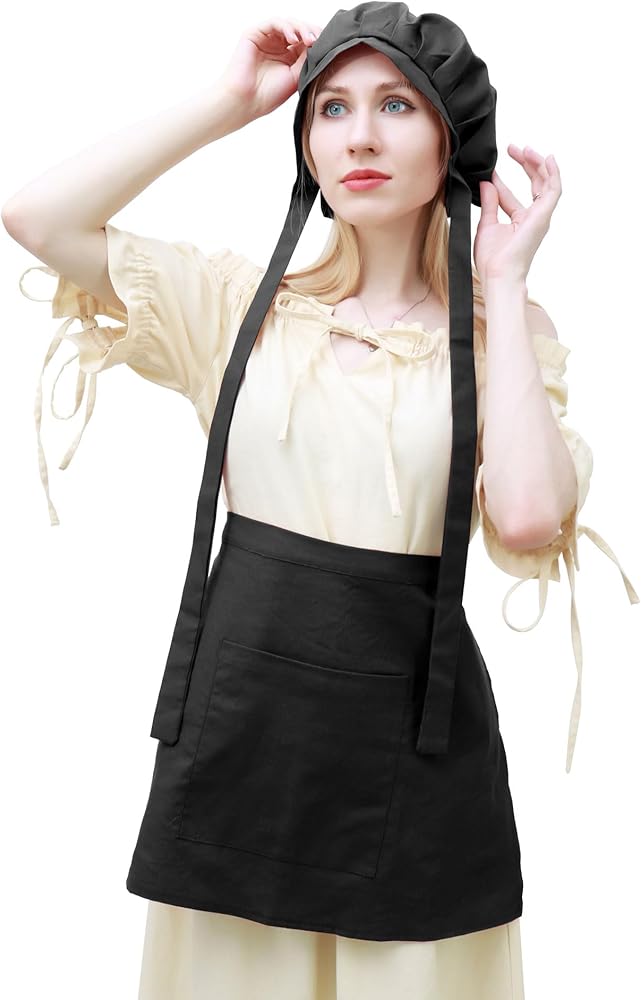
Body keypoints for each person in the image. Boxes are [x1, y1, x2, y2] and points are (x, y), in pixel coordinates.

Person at [4, 9, 638, 999]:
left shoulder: (498, 335)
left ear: (452, 137)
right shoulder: (237, 307)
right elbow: (39, 218)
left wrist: (506, 285)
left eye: (396, 106)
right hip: (241, 749)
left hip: (415, 767)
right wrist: (228, 103)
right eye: (332, 109)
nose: (360, 138)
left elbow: (524, 518)